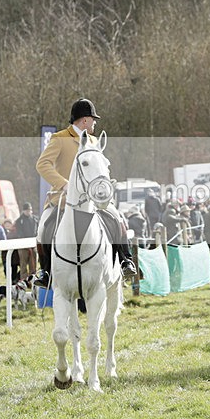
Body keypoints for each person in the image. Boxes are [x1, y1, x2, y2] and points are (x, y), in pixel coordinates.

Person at [34, 98, 137, 288]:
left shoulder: (94, 141)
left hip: (93, 200)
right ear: (84, 120)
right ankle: (45, 271)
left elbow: (101, 168)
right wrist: (63, 184)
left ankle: (125, 260)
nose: (95, 123)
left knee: (117, 217)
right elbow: (42, 164)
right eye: (93, 119)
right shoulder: (60, 138)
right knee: (42, 228)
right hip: (63, 199)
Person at [14, 202, 39, 280]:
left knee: (34, 263)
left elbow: (37, 231)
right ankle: (24, 280)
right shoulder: (19, 221)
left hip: (33, 244)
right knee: (23, 264)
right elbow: (19, 233)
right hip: (23, 245)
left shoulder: (35, 219)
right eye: (27, 210)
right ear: (23, 211)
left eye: (30, 210)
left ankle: (33, 279)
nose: (29, 212)